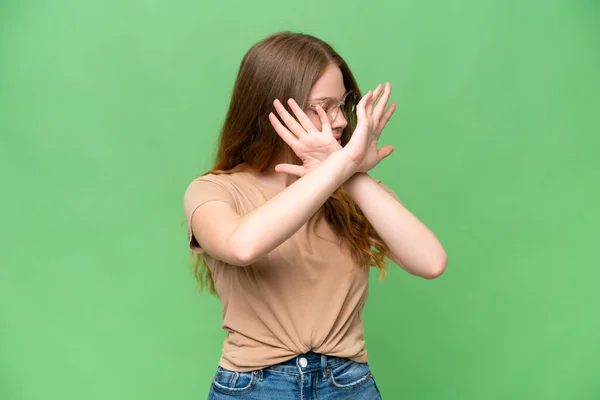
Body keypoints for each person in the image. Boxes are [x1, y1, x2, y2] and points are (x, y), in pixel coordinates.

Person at [183, 31, 447, 400]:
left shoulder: (353, 187)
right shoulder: (214, 191)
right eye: (322, 106)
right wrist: (342, 166)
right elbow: (242, 246)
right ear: (273, 110)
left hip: (348, 384)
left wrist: (351, 176)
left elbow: (431, 262)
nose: (340, 121)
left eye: (343, 104)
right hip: (254, 387)